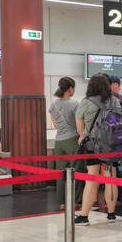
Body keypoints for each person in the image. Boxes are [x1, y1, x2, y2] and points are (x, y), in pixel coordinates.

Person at [74, 74, 122, 226]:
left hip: (93, 146)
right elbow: (120, 120)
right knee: (110, 178)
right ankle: (111, 214)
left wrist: (84, 136)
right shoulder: (115, 101)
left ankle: (84, 215)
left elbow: (80, 130)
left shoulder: (85, 102)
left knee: (92, 179)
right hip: (112, 145)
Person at [48, 77, 82, 209]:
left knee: (61, 172)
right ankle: (76, 200)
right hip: (72, 140)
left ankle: (62, 202)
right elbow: (79, 124)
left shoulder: (53, 105)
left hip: (59, 142)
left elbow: (56, 125)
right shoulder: (74, 104)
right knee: (76, 170)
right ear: (70, 89)